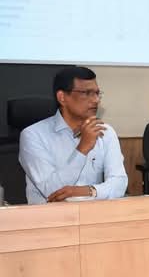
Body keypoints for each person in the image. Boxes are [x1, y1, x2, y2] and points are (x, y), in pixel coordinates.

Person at [19, 67, 127, 204]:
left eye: (97, 93)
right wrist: (82, 148)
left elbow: (119, 183)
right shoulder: (33, 136)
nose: (96, 100)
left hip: (95, 213)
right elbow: (52, 191)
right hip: (49, 215)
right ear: (62, 97)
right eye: (86, 93)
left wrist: (89, 191)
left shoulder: (105, 132)